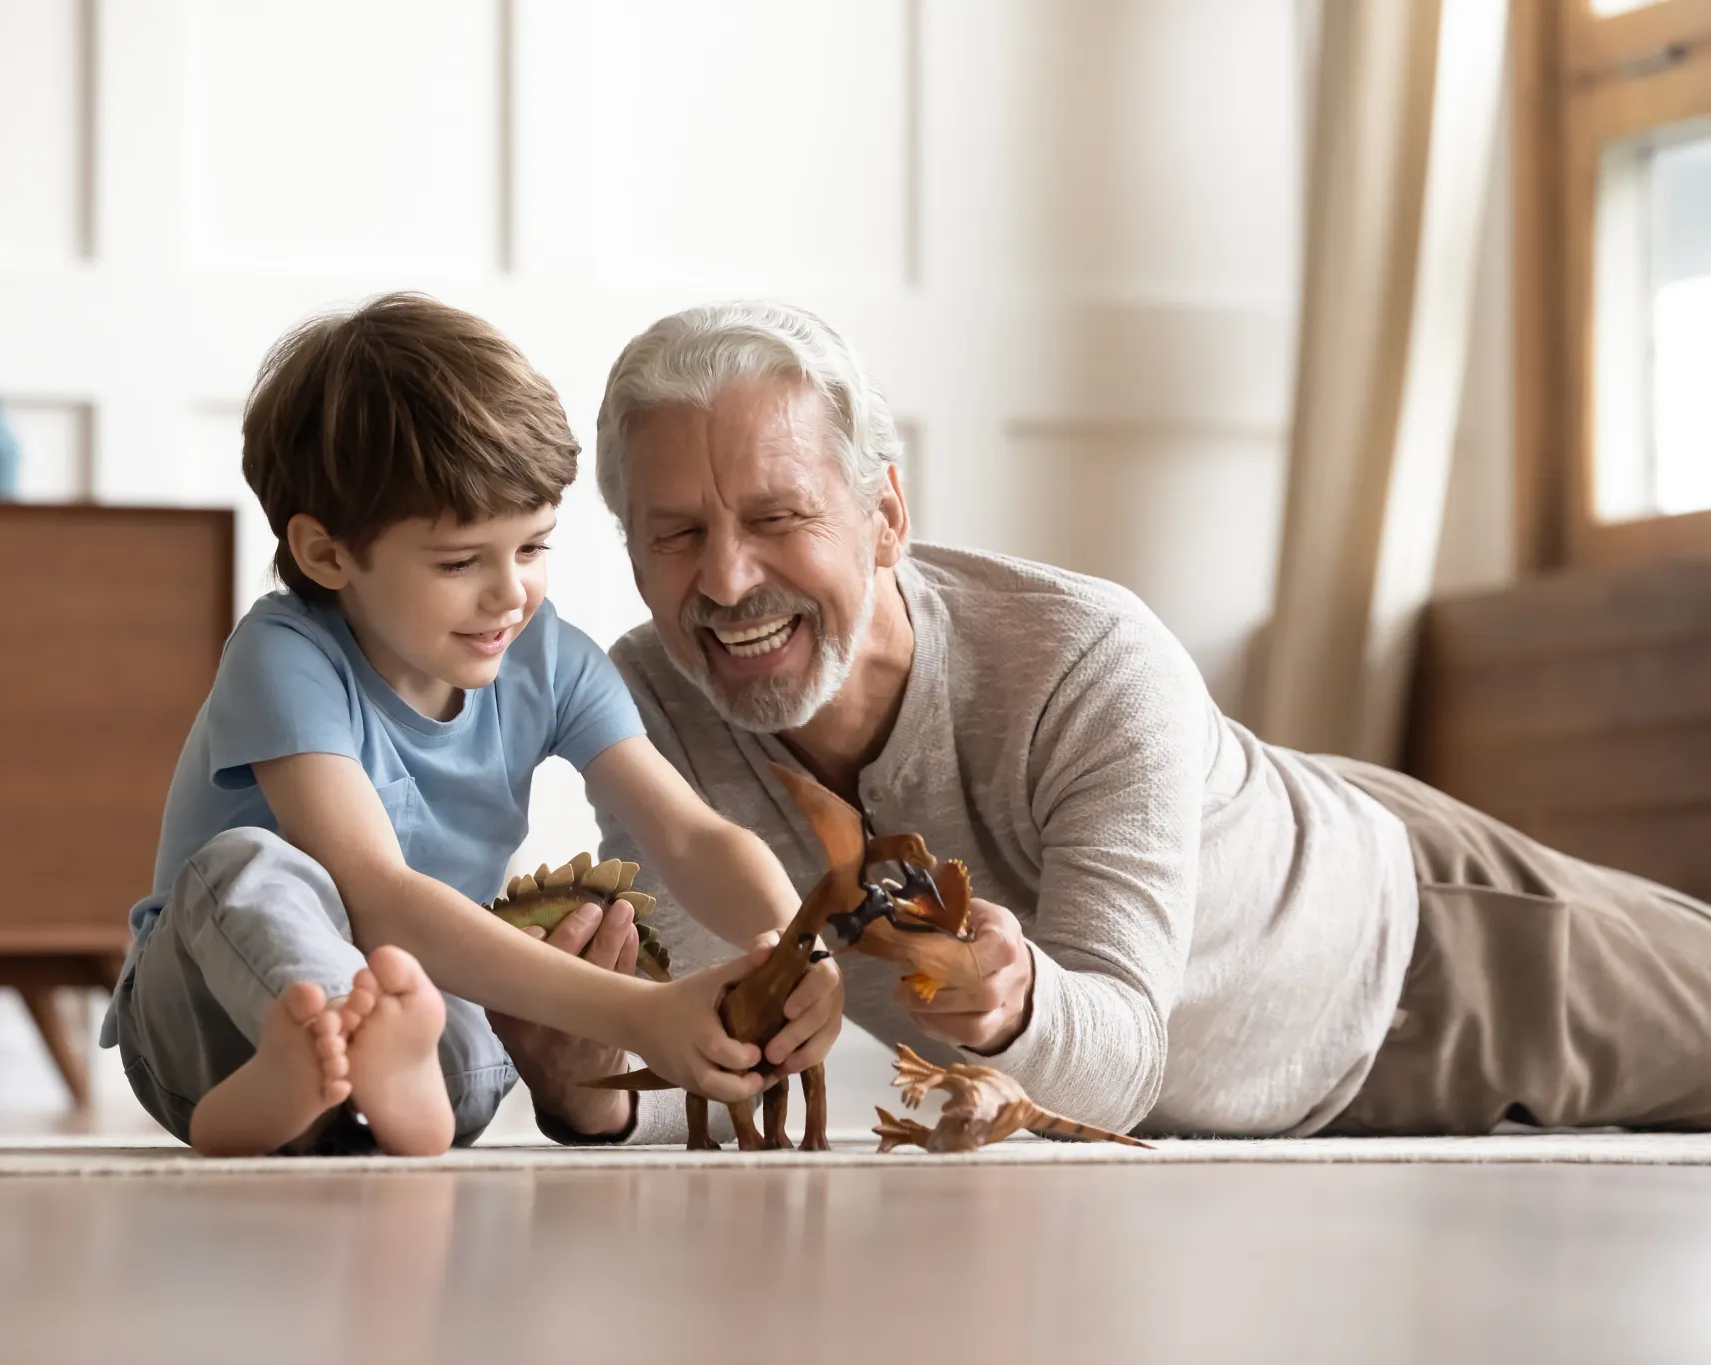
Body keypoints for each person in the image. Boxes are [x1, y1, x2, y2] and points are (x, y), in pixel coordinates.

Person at [496, 298, 1711, 1143]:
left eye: (776, 517)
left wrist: (1017, 1003)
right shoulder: (645, 702)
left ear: (883, 515)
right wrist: (589, 1086)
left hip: (1421, 953)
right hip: (1231, 1085)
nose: (723, 580)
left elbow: (1122, 1052)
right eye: (676, 533)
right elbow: (735, 1046)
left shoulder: (1082, 656)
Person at [98, 294, 841, 1157]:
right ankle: (292, 1073)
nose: (510, 594)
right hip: (207, 1026)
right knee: (246, 866)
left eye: (532, 548)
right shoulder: (284, 655)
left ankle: (323, 1101)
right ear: (327, 554)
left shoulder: (547, 656)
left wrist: (797, 951)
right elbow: (378, 894)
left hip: (425, 1048)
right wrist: (642, 1015)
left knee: (461, 993)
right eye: (461, 562)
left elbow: (691, 835)